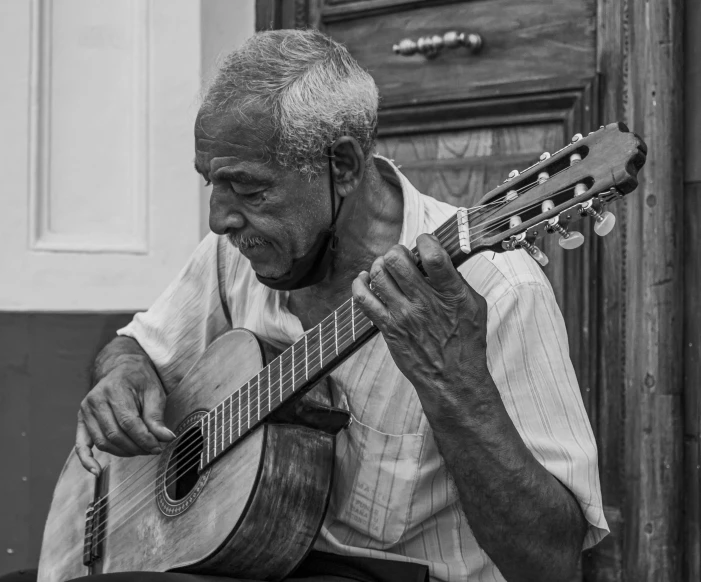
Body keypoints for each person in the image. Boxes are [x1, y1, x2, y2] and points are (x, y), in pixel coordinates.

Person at [62, 29, 607, 582]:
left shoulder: (498, 289)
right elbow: (137, 346)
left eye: (249, 190)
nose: (219, 218)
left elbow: (552, 564)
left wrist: (455, 383)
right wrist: (123, 372)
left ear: (343, 165)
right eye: (211, 184)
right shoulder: (235, 257)